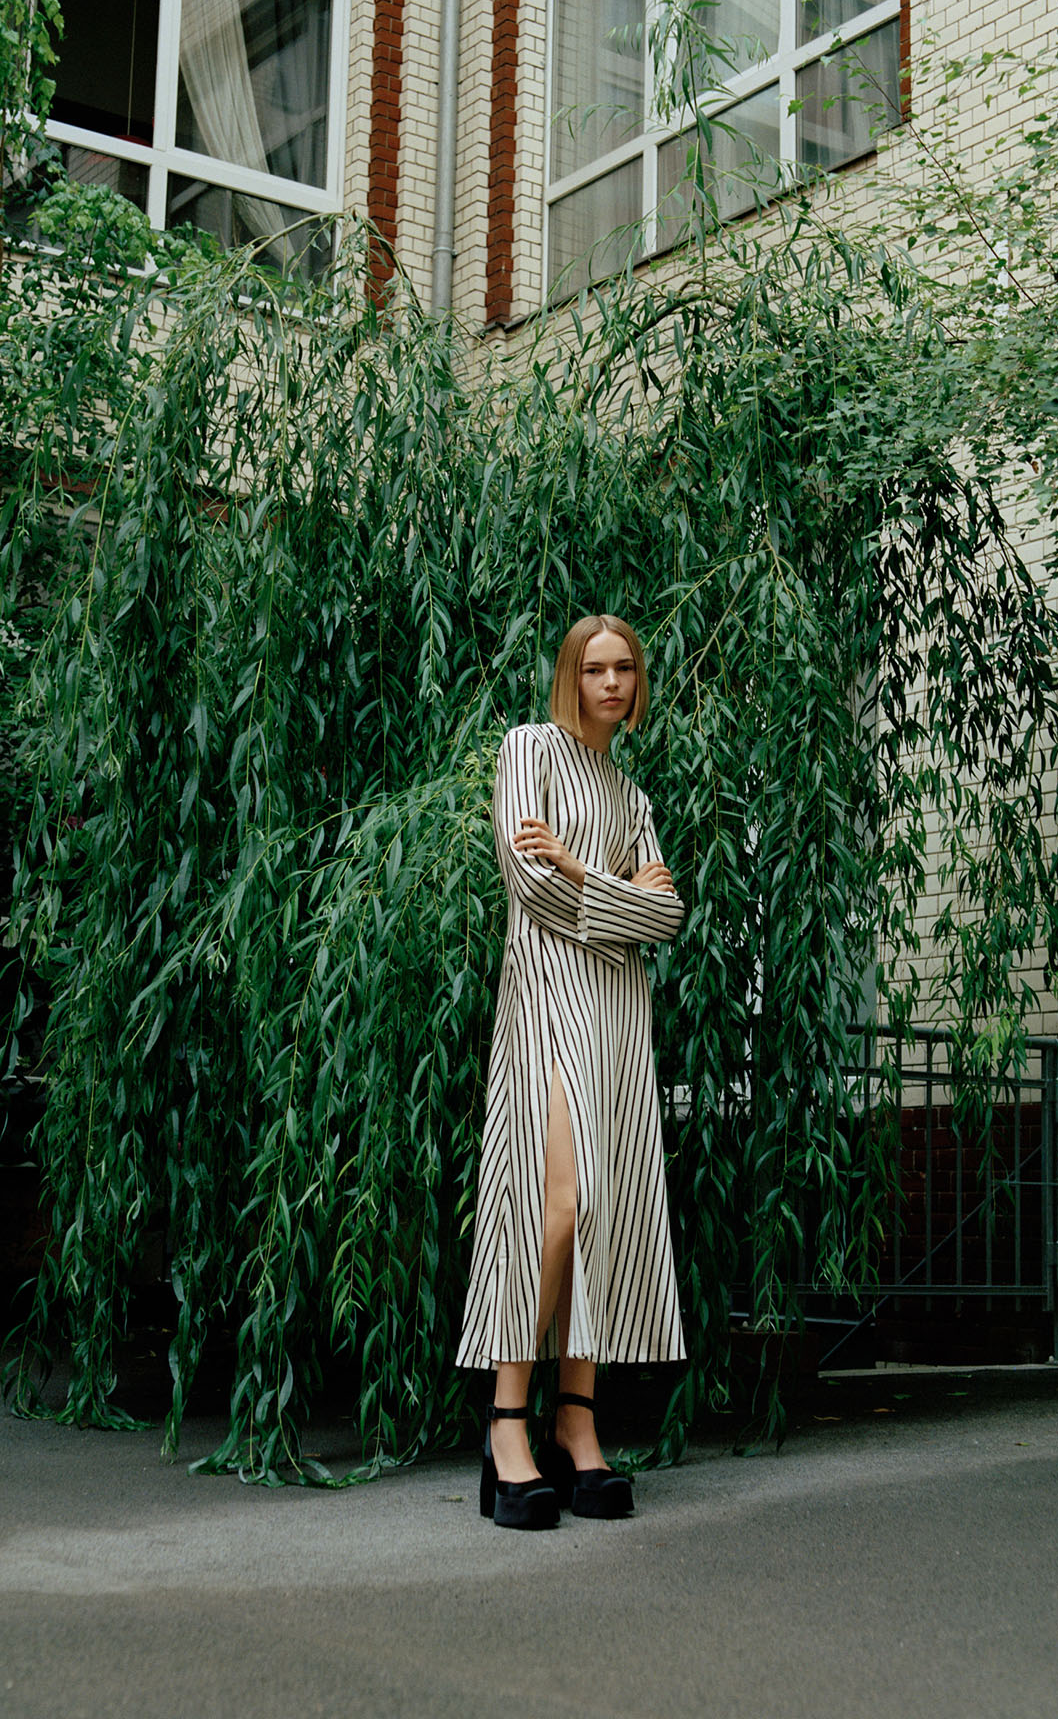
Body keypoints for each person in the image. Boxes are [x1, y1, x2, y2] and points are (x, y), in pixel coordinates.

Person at [456, 613, 686, 1529]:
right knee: (560, 1205)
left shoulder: (633, 796)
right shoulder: (529, 751)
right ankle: (506, 1422)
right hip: (550, 1000)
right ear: (570, 676)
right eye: (595, 668)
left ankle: (576, 1420)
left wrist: (583, 870)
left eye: (626, 667)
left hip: (620, 1017)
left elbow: (669, 921)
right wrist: (624, 893)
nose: (613, 682)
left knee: (604, 1208)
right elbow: (530, 884)